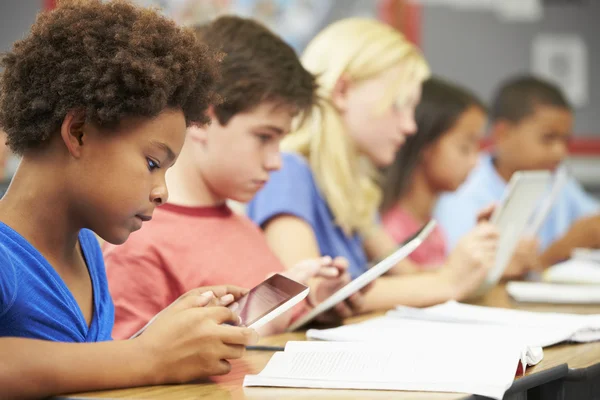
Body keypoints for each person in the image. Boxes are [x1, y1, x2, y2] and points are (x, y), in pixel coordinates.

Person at [0, 1, 257, 398]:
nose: (162, 192)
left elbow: (80, 369)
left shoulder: (85, 248)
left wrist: (164, 337)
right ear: (80, 131)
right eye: (153, 163)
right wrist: (148, 356)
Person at [104, 16, 353, 339]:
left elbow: (255, 324)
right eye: (264, 137)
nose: (276, 162)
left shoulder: (241, 228)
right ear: (203, 121)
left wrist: (313, 300)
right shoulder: (138, 243)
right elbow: (133, 366)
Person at [248, 19, 499, 311]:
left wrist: (469, 262)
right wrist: (448, 282)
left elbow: (409, 276)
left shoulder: (352, 188)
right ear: (342, 92)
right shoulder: (287, 172)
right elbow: (307, 295)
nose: (409, 126)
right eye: (399, 105)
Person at [435, 75, 599, 269]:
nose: (560, 151)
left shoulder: (556, 180)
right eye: (548, 138)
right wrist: (556, 252)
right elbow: (461, 272)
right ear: (502, 134)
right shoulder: (463, 186)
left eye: (565, 140)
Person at [381, 77, 538, 278]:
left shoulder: (431, 227)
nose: (475, 162)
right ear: (425, 145)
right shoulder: (391, 228)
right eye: (464, 148)